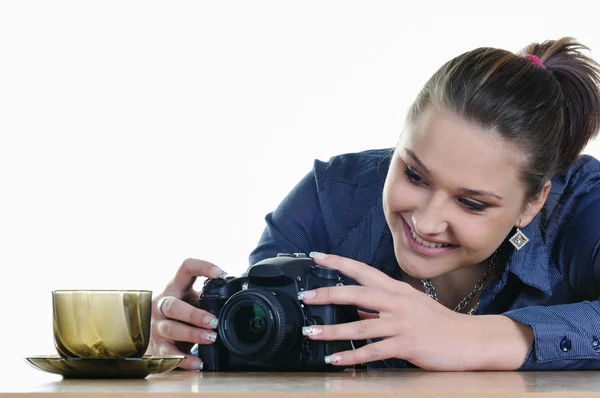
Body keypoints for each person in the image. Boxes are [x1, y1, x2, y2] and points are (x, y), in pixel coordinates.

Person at [148, 37, 600, 371]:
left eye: (471, 203)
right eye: (414, 175)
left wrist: (471, 337)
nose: (425, 220)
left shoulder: (581, 206)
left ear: (532, 204)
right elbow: (268, 350)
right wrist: (192, 330)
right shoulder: (331, 198)